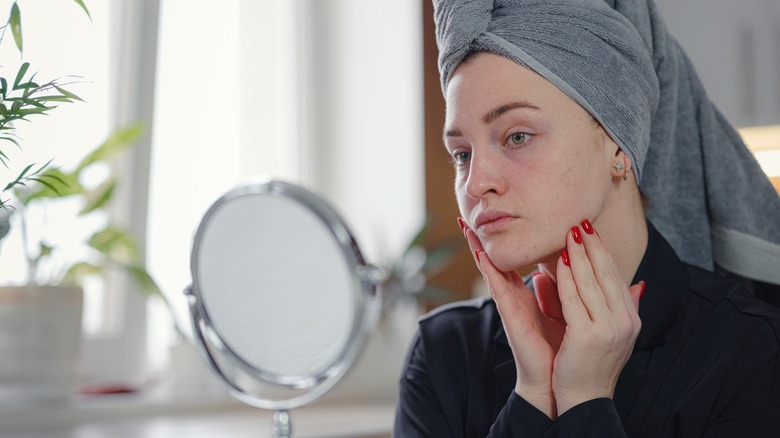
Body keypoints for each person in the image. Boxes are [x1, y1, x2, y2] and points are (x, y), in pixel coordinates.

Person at [393, 0, 780, 436]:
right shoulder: (443, 356)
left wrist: (585, 400)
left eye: (517, 136)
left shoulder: (753, 351)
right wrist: (534, 395)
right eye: (462, 154)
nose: (475, 183)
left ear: (619, 143)